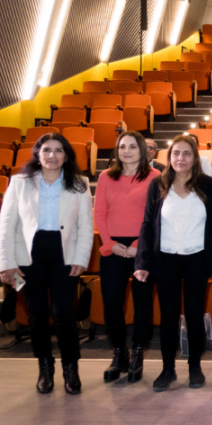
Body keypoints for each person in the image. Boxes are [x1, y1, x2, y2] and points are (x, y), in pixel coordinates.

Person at [0, 133, 93, 395]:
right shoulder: (19, 182)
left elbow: (86, 226)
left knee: (64, 314)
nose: (52, 155)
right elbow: (6, 225)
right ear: (37, 154)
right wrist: (6, 264)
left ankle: (70, 368)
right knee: (36, 315)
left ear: (67, 155)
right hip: (27, 258)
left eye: (59, 150)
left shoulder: (80, 183)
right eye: (47, 150)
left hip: (66, 256)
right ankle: (45, 366)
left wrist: (81, 259)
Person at [134, 135, 212, 391]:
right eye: (176, 154)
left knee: (194, 315)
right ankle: (167, 369)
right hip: (165, 258)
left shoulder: (208, 185)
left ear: (195, 158)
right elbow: (148, 224)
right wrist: (142, 261)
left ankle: (195, 367)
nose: (180, 158)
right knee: (168, 316)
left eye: (186, 153)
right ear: (168, 158)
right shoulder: (157, 184)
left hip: (197, 258)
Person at [94, 131, 160, 384]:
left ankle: (139, 352)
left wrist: (137, 246)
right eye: (122, 146)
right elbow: (100, 213)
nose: (127, 151)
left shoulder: (155, 177)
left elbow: (155, 216)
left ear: (142, 150)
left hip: (142, 247)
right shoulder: (105, 177)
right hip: (112, 248)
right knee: (111, 303)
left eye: (133, 146)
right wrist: (110, 243)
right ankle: (119, 352)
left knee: (142, 302)